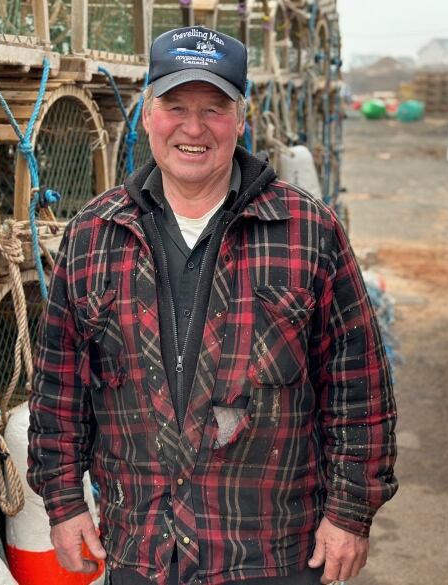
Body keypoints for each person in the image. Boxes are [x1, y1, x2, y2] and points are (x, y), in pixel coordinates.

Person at [28, 26, 397, 585]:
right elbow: (59, 386)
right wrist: (64, 502)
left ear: (241, 119)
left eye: (215, 108)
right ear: (149, 115)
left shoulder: (306, 229)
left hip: (273, 554)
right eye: (175, 106)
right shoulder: (93, 234)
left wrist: (349, 513)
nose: (193, 128)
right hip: (141, 549)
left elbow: (359, 386)